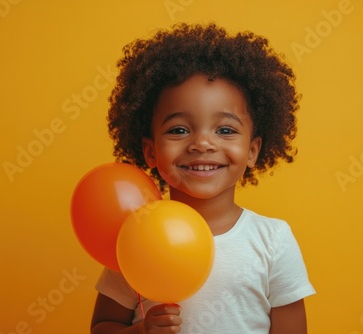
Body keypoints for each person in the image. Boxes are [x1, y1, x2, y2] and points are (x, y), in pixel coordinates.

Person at [91, 23, 315, 334]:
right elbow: (102, 327)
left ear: (252, 150)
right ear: (150, 151)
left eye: (225, 130)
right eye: (179, 130)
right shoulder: (133, 239)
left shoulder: (273, 242)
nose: (202, 144)